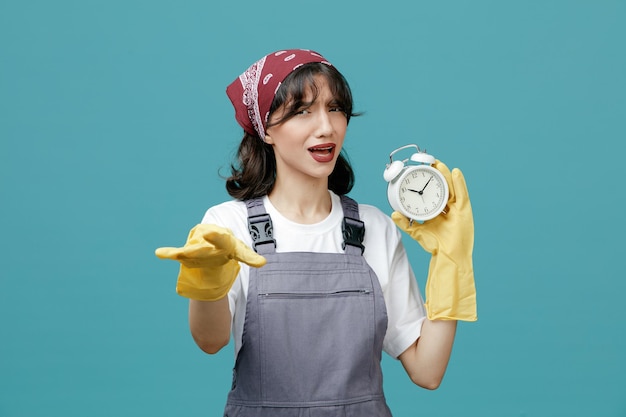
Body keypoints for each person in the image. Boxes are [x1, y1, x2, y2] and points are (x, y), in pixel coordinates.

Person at [156, 49, 477, 417]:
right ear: (267, 129)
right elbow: (210, 341)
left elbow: (428, 370)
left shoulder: (374, 228)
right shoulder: (228, 225)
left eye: (336, 108)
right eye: (303, 111)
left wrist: (451, 260)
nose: (326, 126)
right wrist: (207, 281)